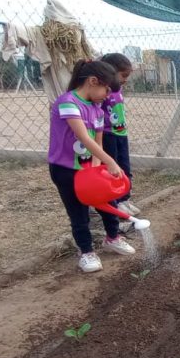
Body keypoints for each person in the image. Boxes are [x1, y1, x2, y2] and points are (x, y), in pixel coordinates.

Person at [48, 60, 136, 273]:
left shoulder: (97, 110)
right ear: (92, 81)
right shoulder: (68, 103)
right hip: (66, 170)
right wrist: (111, 162)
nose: (108, 95)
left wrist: (96, 170)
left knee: (107, 202)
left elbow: (98, 141)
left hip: (89, 168)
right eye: (106, 89)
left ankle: (112, 238)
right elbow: (82, 137)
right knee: (78, 212)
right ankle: (86, 251)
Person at [100, 53, 139, 217]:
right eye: (123, 75)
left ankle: (124, 199)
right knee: (113, 170)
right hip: (108, 135)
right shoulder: (102, 91)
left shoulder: (117, 89)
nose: (125, 79)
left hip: (121, 133)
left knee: (125, 167)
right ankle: (115, 202)